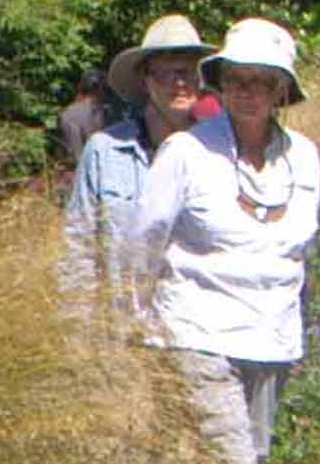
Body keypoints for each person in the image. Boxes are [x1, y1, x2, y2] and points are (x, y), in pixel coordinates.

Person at [122, 19, 320, 464]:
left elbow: (299, 249)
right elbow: (143, 240)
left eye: (261, 80)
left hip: (273, 337)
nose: (248, 90)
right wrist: (139, 319)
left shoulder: (304, 159)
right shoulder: (186, 152)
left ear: (282, 89)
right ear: (221, 83)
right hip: (198, 333)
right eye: (236, 78)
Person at [56, 15, 208, 298]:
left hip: (194, 329)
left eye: (188, 72)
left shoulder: (215, 153)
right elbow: (78, 250)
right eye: (166, 74)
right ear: (145, 80)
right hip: (123, 326)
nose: (180, 83)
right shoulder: (105, 151)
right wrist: (80, 335)